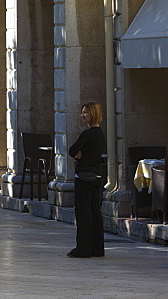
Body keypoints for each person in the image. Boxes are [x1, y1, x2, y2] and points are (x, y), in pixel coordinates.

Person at [67, 101, 106, 258]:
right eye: (82, 112)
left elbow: (72, 150)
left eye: (86, 112)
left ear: (93, 114)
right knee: (95, 212)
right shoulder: (101, 134)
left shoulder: (87, 134)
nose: (83, 115)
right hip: (96, 175)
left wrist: (78, 153)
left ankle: (83, 248)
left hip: (83, 176)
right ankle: (97, 248)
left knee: (84, 214)